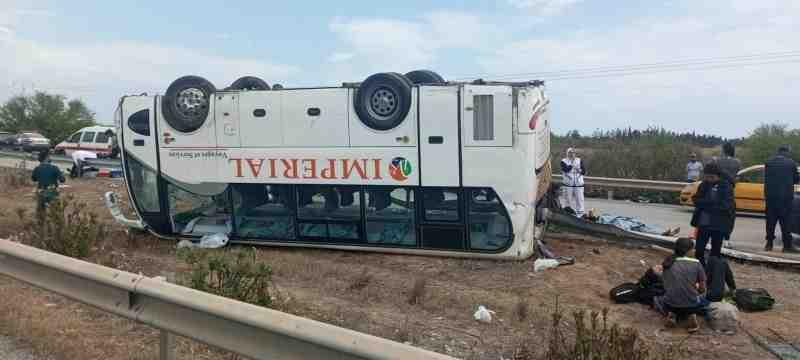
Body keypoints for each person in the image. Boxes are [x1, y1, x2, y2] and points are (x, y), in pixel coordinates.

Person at [653, 238, 707, 333]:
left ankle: (672, 315)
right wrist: (697, 288)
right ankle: (691, 315)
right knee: (704, 298)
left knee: (657, 299)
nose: (694, 251)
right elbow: (703, 289)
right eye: (693, 249)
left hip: (671, 304)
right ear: (688, 251)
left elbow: (665, 283)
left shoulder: (668, 262)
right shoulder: (696, 263)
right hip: (692, 304)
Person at [690, 163, 734, 266]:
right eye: (707, 177)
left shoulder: (726, 186)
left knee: (715, 253)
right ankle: (701, 271)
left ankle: (712, 274)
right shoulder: (704, 184)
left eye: (712, 177)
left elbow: (726, 206)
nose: (709, 179)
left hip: (718, 225)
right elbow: (696, 199)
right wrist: (710, 203)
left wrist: (706, 204)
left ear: (718, 176)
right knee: (699, 251)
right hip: (703, 223)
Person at [764, 145, 800, 253]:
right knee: (786, 222)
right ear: (787, 152)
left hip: (770, 197)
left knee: (770, 221)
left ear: (778, 152)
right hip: (785, 198)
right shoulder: (791, 163)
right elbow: (795, 180)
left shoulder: (769, 162)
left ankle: (769, 244)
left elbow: (766, 177)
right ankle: (787, 246)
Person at [712, 142, 742, 248]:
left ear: (724, 150)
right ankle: (727, 239)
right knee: (729, 217)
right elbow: (737, 177)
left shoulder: (716, 161)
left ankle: (714, 238)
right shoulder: (737, 162)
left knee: (715, 215)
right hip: (729, 192)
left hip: (718, 191)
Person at [31, 151, 66, 217]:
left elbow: (33, 179)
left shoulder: (37, 169)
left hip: (41, 192)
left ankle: (40, 225)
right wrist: (62, 175)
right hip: (52, 193)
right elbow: (62, 180)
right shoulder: (54, 168)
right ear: (46, 158)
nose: (50, 158)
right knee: (57, 212)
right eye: (49, 156)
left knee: (40, 213)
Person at [560, 148, 586, 217]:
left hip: (578, 184)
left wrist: (579, 170)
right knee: (567, 200)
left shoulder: (579, 160)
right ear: (567, 153)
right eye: (570, 152)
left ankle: (580, 214)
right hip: (568, 184)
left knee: (580, 200)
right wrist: (572, 165)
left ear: (575, 153)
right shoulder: (563, 161)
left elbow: (584, 171)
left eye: (573, 153)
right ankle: (567, 214)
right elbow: (566, 170)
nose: (572, 154)